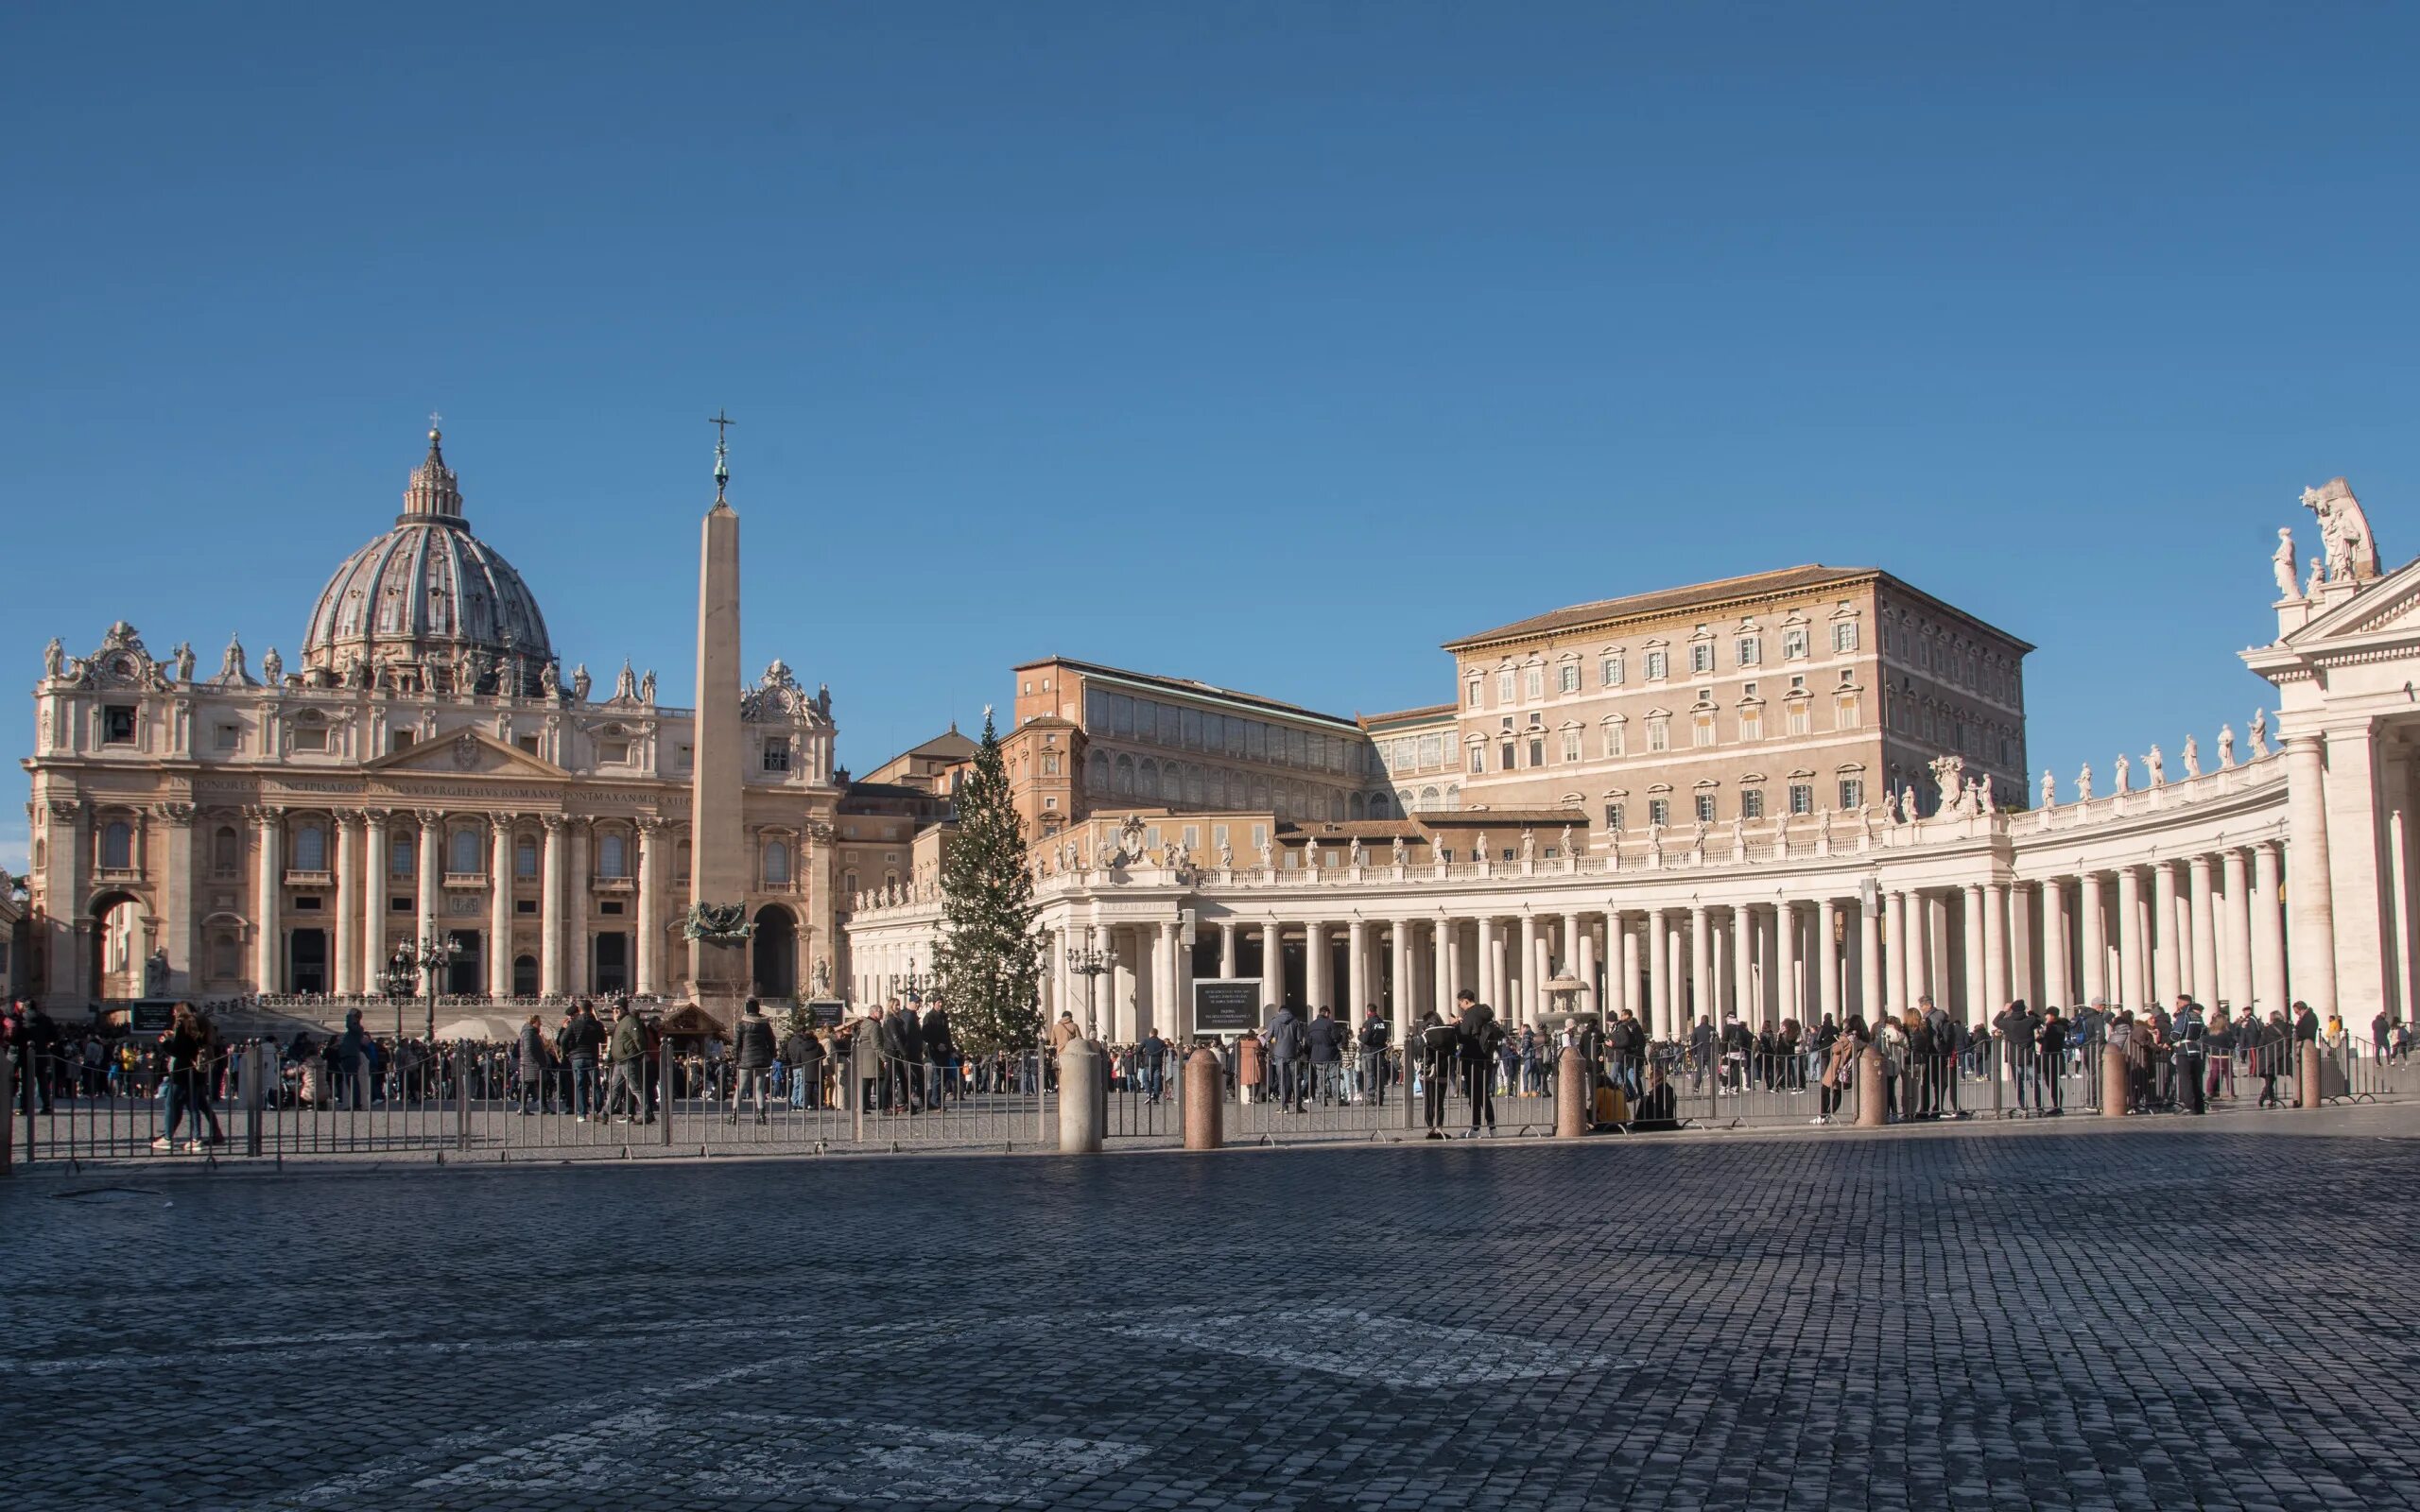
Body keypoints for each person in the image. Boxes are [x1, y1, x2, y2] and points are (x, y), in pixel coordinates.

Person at [153, 1002, 225, 1151]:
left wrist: (165, 1043)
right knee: (194, 1105)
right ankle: (196, 1138)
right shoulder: (202, 1023)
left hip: (183, 1070)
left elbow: (179, 1050)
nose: (173, 1014)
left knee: (171, 1103)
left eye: (174, 1011)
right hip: (198, 1070)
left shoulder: (183, 1024)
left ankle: (168, 1138)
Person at [1456, 989, 1503, 1136]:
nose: (1460, 1007)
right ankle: (1492, 1127)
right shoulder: (1485, 1011)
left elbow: (1463, 1036)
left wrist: (1456, 1025)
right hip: (1486, 1057)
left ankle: (1476, 1128)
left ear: (1465, 1001)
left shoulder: (1471, 1014)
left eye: (1460, 1004)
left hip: (1473, 1059)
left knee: (1474, 1094)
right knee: (1483, 1094)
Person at [728, 999, 775, 1124]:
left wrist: (736, 1060)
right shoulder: (764, 1025)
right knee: (759, 1089)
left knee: (740, 1088)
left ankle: (734, 1116)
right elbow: (771, 1042)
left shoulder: (741, 1024)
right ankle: (761, 1116)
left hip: (745, 1061)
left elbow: (736, 1045)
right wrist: (771, 1056)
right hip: (762, 1060)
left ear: (747, 1010)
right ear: (758, 1009)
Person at [1415, 1007, 1457, 1138]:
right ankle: (1439, 1127)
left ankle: (1431, 1128)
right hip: (1443, 1070)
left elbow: (1419, 1050)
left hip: (1427, 1071)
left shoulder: (1426, 1034)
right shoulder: (1447, 1034)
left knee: (1428, 1101)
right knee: (1439, 1102)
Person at [561, 1002, 606, 1120]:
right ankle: (597, 1111)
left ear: (580, 1010)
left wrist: (567, 1052)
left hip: (577, 1057)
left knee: (580, 1085)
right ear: (591, 1010)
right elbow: (603, 1039)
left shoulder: (574, 1023)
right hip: (592, 1056)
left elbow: (563, 1039)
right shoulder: (597, 1024)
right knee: (595, 1084)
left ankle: (582, 1113)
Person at [606, 1005, 649, 1123]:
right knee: (614, 1088)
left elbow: (639, 1039)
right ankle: (605, 1112)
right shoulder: (621, 1022)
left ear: (624, 1009)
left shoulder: (629, 1021)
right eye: (613, 1009)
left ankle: (647, 1113)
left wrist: (640, 1055)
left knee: (635, 1089)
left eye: (618, 1008)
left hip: (629, 1060)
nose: (615, 1011)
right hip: (620, 1061)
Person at [1268, 1004, 1306, 1112]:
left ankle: (1284, 1106)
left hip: (1279, 1055)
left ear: (1279, 1011)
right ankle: (1298, 1105)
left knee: (1282, 1081)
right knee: (1296, 1080)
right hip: (1293, 1054)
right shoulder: (1295, 1021)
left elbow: (1268, 1037)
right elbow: (1299, 1038)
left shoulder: (1274, 1021)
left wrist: (1275, 1041)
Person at [850, 1003, 888, 1112]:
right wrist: (884, 1059)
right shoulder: (874, 1026)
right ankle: (881, 1105)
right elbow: (877, 1044)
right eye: (880, 1012)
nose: (882, 1014)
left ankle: (864, 1105)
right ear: (874, 1013)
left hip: (865, 1056)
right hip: (872, 1057)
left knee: (866, 1082)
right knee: (880, 1080)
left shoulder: (866, 1023)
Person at [1306, 1005, 1346, 1105]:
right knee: (1334, 1077)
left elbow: (1308, 1042)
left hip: (1316, 1056)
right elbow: (1336, 1038)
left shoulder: (1311, 1025)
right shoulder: (1330, 1023)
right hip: (1331, 1055)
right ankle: (1337, 1099)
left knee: (1320, 1078)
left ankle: (1322, 1099)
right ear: (1327, 1013)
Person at [2035, 1007, 2067, 1115]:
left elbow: (2050, 1042)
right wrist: (2040, 1038)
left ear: (2053, 1015)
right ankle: (2057, 1107)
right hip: (2052, 1057)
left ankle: (2058, 1107)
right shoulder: (2057, 1026)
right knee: (2051, 1083)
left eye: (2047, 1015)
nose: (2046, 1017)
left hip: (2052, 1058)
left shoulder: (2055, 1026)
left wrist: (2040, 1037)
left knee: (2053, 1083)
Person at [1357, 1008, 1391, 1108]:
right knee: (1379, 1074)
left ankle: (1370, 1097)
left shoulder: (1368, 1023)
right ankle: (1380, 1097)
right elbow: (1385, 1037)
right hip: (1379, 1051)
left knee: (1369, 1074)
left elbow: (1365, 1038)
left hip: (1369, 1051)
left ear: (1368, 1011)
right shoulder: (1382, 1023)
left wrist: (1359, 1036)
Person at [515, 1014, 548, 1114]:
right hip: (530, 1064)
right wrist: (534, 1061)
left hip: (533, 1063)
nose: (540, 1024)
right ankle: (522, 1107)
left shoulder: (533, 1033)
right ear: (534, 1022)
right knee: (527, 1085)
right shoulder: (528, 1033)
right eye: (539, 1022)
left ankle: (538, 1106)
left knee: (531, 1085)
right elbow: (528, 1048)